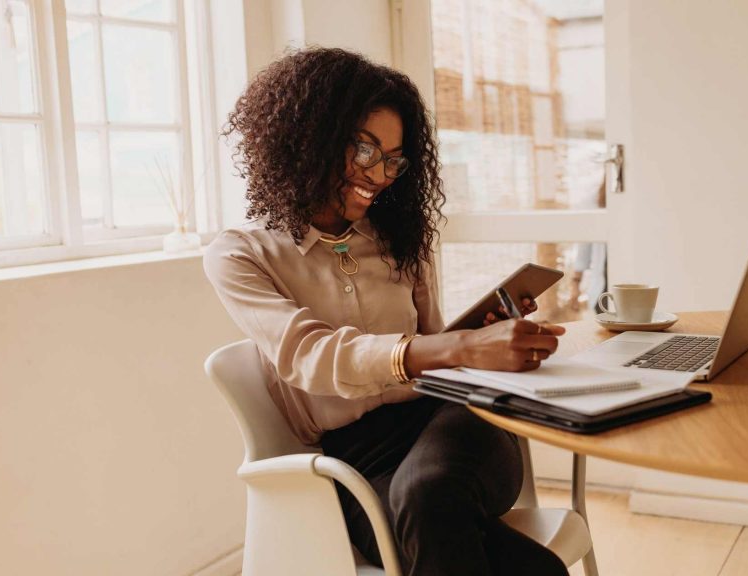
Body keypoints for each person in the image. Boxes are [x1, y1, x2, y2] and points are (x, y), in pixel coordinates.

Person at [203, 47, 570, 576]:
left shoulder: (398, 240)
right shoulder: (241, 255)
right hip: (352, 461)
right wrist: (460, 346)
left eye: (394, 158)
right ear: (308, 136)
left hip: (453, 421)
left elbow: (434, 343)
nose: (379, 174)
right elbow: (311, 355)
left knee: (428, 494)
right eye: (364, 149)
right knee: (509, 559)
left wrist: (476, 338)